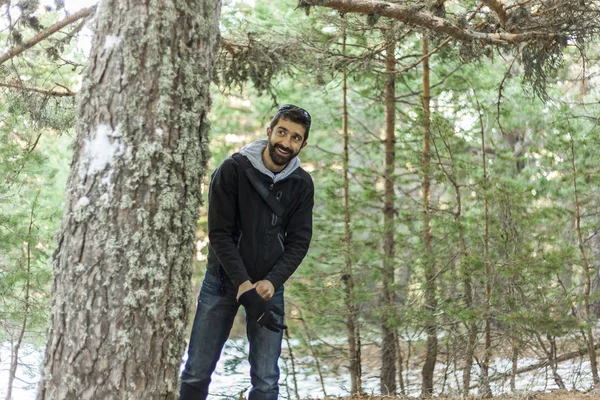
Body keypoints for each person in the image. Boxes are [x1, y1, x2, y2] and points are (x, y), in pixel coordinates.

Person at [180, 104, 314, 400]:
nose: (286, 142)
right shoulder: (232, 170)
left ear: (302, 144)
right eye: (282, 132)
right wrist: (243, 284)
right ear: (269, 132)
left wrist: (271, 282)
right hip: (222, 283)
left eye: (295, 137)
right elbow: (219, 234)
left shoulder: (302, 184)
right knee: (196, 372)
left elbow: (299, 241)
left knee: (266, 381)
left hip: (269, 288)